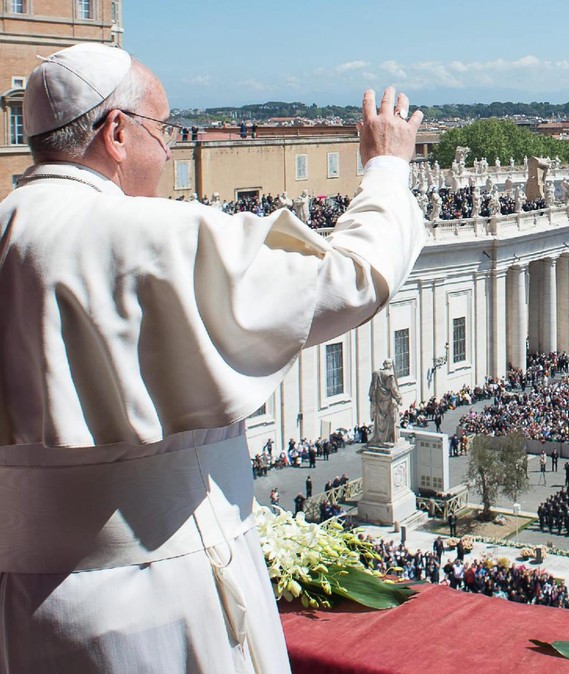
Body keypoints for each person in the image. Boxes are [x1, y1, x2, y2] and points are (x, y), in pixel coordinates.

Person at [0, 43, 425, 672]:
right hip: (160, 600)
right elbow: (354, 278)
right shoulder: (152, 233)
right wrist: (387, 168)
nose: (171, 150)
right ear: (115, 132)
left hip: (22, 606)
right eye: (162, 128)